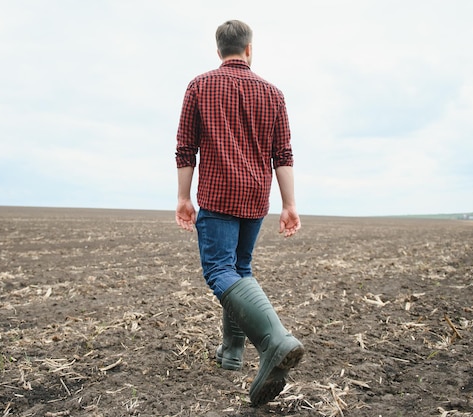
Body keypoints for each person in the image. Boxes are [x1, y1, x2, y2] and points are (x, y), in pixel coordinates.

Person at [174, 20, 304, 406]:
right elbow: (283, 154)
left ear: (219, 51)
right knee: (239, 270)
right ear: (249, 49)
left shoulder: (199, 85)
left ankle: (274, 340)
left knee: (219, 271)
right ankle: (232, 353)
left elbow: (185, 147)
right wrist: (289, 204)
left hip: (217, 195)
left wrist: (183, 197)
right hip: (255, 199)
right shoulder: (274, 93)